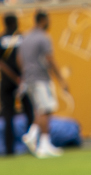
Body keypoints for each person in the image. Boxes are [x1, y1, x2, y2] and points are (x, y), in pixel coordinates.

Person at [16, 10, 64, 158]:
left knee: (42, 109)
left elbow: (19, 58)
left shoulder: (25, 37)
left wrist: (26, 72)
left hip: (29, 78)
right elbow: (49, 58)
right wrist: (60, 78)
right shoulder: (43, 38)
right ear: (43, 20)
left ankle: (39, 139)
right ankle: (39, 141)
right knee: (45, 109)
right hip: (41, 78)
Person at [0, 12, 27, 155]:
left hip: (6, 82)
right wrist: (20, 77)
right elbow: (26, 58)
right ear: (15, 23)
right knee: (29, 113)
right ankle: (33, 145)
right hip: (23, 81)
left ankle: (9, 149)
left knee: (8, 116)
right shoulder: (23, 38)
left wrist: (12, 77)